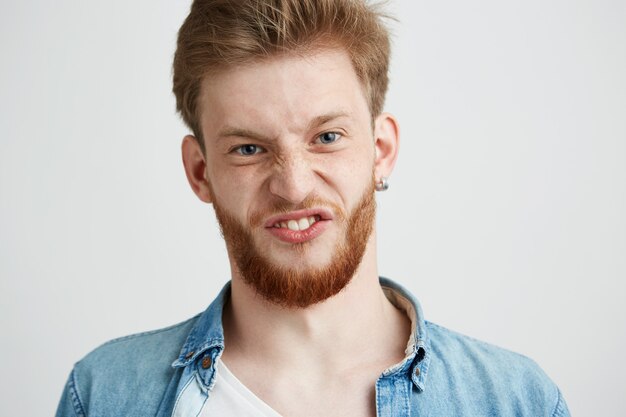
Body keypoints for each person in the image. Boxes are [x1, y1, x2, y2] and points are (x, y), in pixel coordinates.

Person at [55, 1, 570, 416]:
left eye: (327, 137)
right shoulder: (104, 395)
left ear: (380, 151)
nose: (294, 186)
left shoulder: (515, 401)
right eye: (248, 149)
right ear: (200, 171)